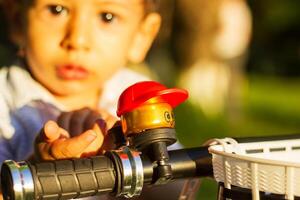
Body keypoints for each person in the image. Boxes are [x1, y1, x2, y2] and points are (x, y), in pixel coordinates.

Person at [0, 0, 197, 199]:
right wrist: (38, 173)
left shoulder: (138, 97)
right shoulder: (4, 104)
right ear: (17, 19)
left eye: (107, 17)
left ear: (141, 35)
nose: (78, 40)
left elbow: (176, 191)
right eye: (56, 10)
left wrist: (136, 156)